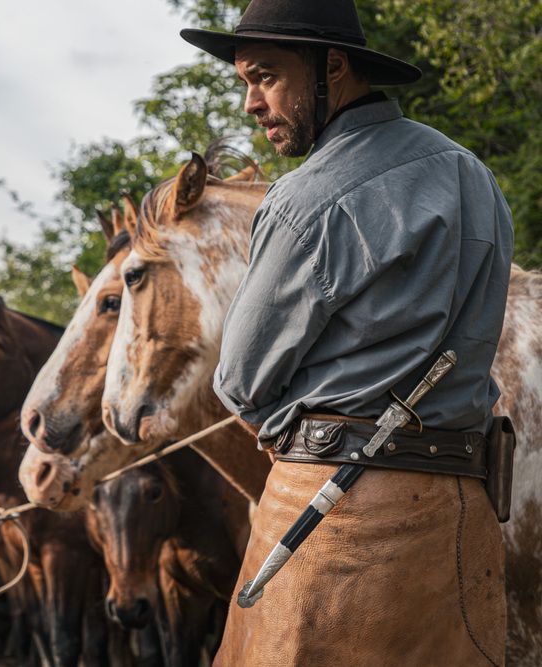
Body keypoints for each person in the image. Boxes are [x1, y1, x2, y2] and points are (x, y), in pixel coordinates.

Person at [183, 0, 514, 664]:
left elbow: (240, 380)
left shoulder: (307, 198)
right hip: (464, 521)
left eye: (266, 76)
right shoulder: (474, 176)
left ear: (332, 67)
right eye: (245, 81)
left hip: (333, 524)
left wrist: (300, 423)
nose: (251, 102)